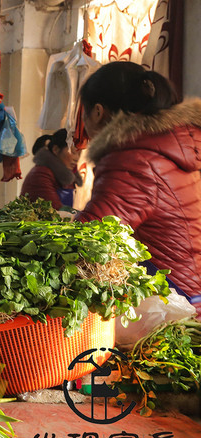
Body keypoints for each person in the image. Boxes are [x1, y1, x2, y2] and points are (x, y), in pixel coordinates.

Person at [74, 61, 201, 310]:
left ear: (98, 112)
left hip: (177, 304)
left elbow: (92, 239)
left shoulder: (132, 158)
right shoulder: (178, 143)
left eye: (84, 113)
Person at [19, 128, 82, 211]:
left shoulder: (69, 175)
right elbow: (54, 211)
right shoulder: (40, 175)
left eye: (79, 153)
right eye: (73, 152)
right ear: (56, 150)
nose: (76, 158)